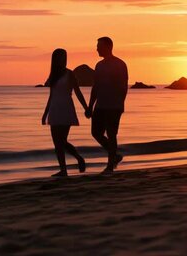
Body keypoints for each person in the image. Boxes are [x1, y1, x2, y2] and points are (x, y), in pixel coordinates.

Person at [85, 37, 128, 174]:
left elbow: (123, 86)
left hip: (114, 105)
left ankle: (110, 164)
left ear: (108, 47)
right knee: (96, 132)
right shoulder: (99, 65)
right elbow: (95, 87)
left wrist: (120, 103)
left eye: (99, 46)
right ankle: (114, 156)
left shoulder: (120, 64)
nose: (97, 48)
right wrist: (90, 106)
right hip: (100, 105)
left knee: (111, 134)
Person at [41, 48, 87, 177]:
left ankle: (78, 158)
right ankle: (63, 170)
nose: (62, 59)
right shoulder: (53, 75)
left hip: (66, 109)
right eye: (60, 57)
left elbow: (78, 92)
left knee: (62, 141)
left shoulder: (70, 74)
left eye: (64, 57)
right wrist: (45, 113)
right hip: (55, 109)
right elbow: (51, 95)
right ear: (55, 59)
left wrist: (86, 108)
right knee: (57, 142)